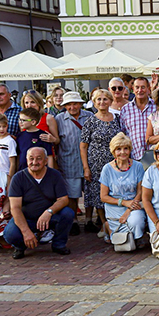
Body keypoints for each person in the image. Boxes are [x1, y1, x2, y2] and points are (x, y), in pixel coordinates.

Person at [4, 147, 75, 258]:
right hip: (27, 218)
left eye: (39, 159)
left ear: (46, 161)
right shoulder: (18, 178)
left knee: (68, 214)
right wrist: (25, 231)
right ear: (26, 160)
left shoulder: (55, 175)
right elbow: (15, 208)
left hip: (50, 217)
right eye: (31, 159)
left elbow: (64, 199)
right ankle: (21, 246)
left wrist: (49, 212)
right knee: (10, 234)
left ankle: (58, 244)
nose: (34, 162)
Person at [80, 89, 126, 235]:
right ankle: (104, 223)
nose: (102, 102)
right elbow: (83, 145)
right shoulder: (90, 121)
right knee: (98, 193)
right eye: (98, 99)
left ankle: (115, 220)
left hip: (115, 162)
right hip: (96, 164)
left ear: (110, 101)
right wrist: (86, 167)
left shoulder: (117, 118)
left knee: (115, 191)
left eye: (105, 99)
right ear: (94, 102)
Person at [55, 92, 94, 234]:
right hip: (68, 160)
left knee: (89, 192)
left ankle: (89, 219)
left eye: (75, 103)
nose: (72, 107)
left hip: (89, 161)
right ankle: (74, 221)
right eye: (69, 104)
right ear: (64, 106)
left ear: (80, 104)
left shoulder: (89, 116)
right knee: (72, 194)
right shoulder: (59, 119)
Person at [99, 132, 146, 247]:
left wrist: (129, 209)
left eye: (126, 148)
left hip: (134, 204)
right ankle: (108, 226)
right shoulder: (107, 169)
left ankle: (135, 238)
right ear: (113, 151)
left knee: (136, 222)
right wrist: (124, 203)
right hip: (115, 206)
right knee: (122, 240)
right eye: (118, 149)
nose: (123, 152)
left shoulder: (138, 166)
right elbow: (103, 196)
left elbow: (140, 191)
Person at [118, 78, 156, 163]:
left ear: (148, 89)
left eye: (143, 87)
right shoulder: (125, 109)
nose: (140, 90)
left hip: (155, 155)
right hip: (134, 156)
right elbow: (123, 133)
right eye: (137, 87)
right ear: (133, 89)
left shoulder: (156, 106)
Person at [21, 92, 61, 160]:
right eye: (26, 103)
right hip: (27, 158)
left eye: (33, 102)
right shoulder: (22, 120)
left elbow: (57, 140)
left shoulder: (48, 118)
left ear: (39, 103)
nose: (29, 105)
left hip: (45, 158)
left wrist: (52, 139)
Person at [16, 107, 54, 172]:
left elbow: (49, 156)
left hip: (39, 171)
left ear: (33, 122)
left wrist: (51, 173)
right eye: (20, 119)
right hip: (23, 172)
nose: (20, 122)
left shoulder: (43, 135)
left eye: (23, 120)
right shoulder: (20, 136)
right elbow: (18, 155)